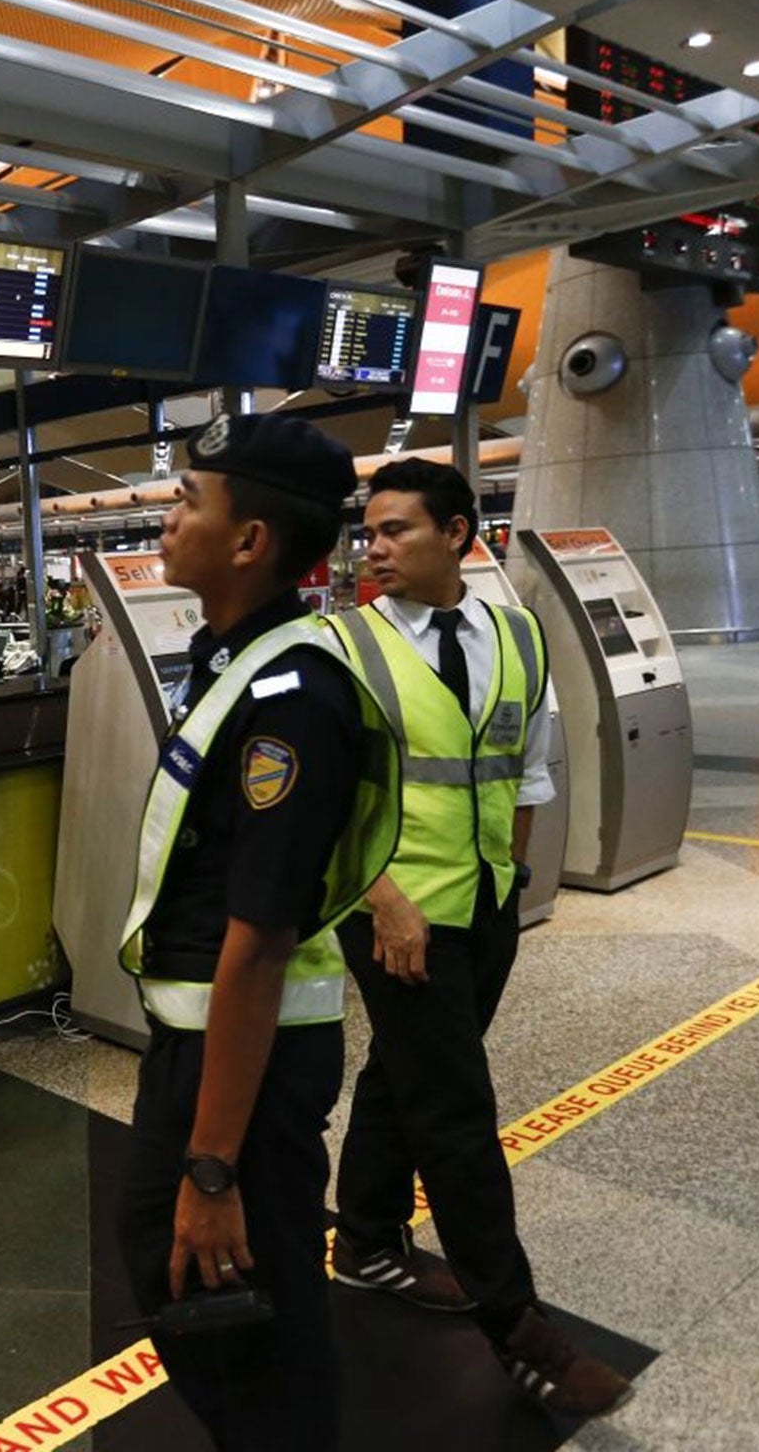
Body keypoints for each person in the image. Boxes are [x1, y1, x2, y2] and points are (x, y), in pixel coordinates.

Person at [117, 414, 400, 1450]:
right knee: (215, 1296)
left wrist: (210, 1168)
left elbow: (260, 941)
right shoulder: (234, 659)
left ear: (248, 542)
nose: (167, 511)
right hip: (207, 1043)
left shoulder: (291, 697)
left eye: (188, 498)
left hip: (246, 1060)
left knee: (230, 1297)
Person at [327, 459, 631, 1418]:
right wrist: (383, 902)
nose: (373, 550)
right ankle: (519, 1327)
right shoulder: (342, 646)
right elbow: (322, 806)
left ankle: (369, 1241)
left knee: (407, 1072)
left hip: (485, 905)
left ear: (459, 535)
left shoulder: (518, 635)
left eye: (395, 532)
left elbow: (527, 766)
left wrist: (513, 881)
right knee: (456, 1109)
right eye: (367, 533)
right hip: (396, 913)